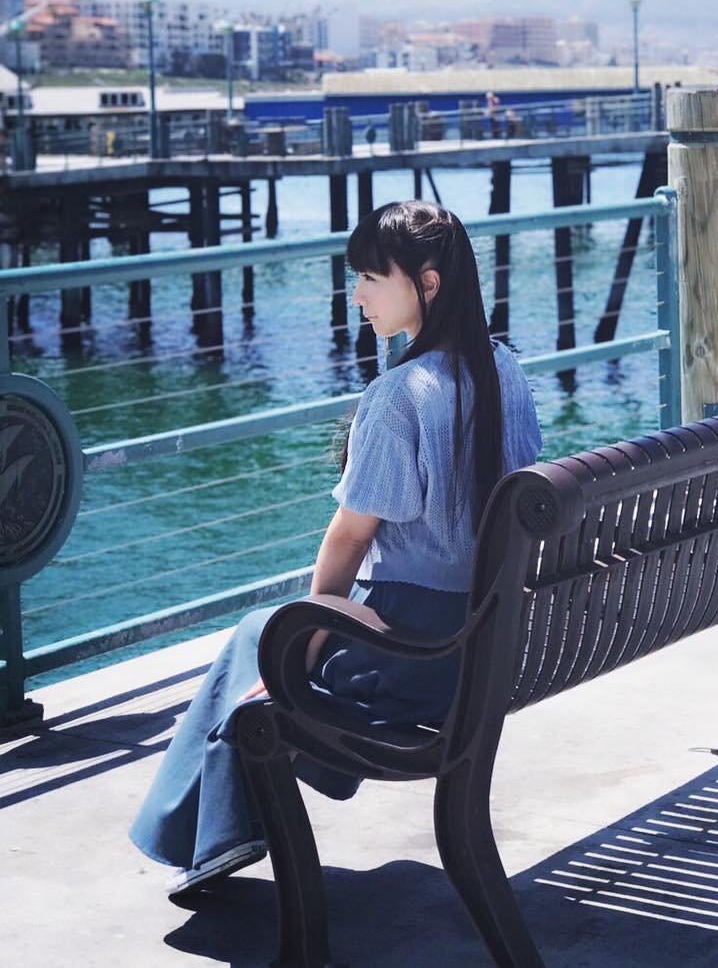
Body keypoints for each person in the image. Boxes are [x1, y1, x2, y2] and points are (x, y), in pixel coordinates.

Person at [129, 200, 543, 898]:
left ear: (428, 284)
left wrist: (303, 647)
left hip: (415, 652)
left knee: (262, 636)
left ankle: (203, 833)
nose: (357, 296)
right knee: (267, 639)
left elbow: (350, 536)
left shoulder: (401, 394)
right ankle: (217, 827)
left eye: (371, 278)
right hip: (485, 643)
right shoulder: (504, 369)